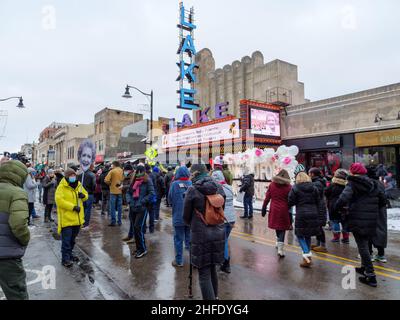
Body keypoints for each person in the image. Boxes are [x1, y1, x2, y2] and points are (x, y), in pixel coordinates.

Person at [334, 163, 386, 287]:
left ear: (353, 172)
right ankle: (364, 267)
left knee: (362, 247)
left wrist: (337, 208)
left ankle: (371, 275)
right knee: (364, 245)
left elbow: (342, 199)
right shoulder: (374, 184)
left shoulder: (352, 184)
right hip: (371, 219)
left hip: (357, 219)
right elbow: (383, 201)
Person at [183, 164, 225, 300]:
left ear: (195, 174)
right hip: (218, 233)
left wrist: (193, 223)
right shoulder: (218, 187)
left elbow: (186, 216)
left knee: (204, 274)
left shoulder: (193, 190)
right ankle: (215, 297)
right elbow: (220, 207)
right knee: (212, 268)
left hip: (201, 235)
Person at [0, 160, 30, 300]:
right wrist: (25, 240)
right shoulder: (17, 193)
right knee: (17, 294)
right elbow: (18, 224)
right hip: (7, 257)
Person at [55, 168, 88, 267]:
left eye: (74, 175)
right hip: (67, 219)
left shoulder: (79, 185)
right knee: (66, 241)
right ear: (66, 176)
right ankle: (65, 259)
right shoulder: (61, 187)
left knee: (72, 240)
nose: (73, 177)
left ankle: (69, 254)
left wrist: (83, 196)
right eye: (71, 175)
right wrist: (72, 207)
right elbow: (59, 201)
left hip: (77, 219)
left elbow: (86, 195)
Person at [288, 172, 321, 268]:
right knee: (307, 235)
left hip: (302, 214)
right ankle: (306, 259)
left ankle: (307, 255)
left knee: (299, 235)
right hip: (313, 213)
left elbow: (291, 201)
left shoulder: (295, 188)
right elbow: (318, 201)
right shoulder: (314, 188)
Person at [261, 169, 292, 258]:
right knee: (282, 228)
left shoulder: (272, 185)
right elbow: (291, 199)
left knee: (277, 226)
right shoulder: (289, 187)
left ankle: (278, 243)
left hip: (274, 208)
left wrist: (263, 208)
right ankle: (280, 249)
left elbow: (267, 198)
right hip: (284, 209)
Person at [126, 165, 155, 258]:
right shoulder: (133, 180)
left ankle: (142, 249)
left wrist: (142, 201)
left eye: (140, 171)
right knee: (135, 229)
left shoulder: (147, 181)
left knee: (138, 228)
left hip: (141, 208)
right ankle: (139, 248)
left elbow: (151, 193)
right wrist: (129, 201)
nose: (138, 173)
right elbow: (128, 192)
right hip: (133, 207)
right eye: (137, 171)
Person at [211, 170, 236, 273]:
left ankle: (225, 263)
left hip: (223, 218)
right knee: (224, 240)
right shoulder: (229, 187)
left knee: (223, 240)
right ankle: (222, 259)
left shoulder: (216, 189)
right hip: (232, 219)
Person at [169, 166, 192, 267]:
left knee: (178, 239)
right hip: (190, 217)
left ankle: (179, 261)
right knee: (190, 239)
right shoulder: (191, 184)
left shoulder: (174, 185)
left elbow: (169, 200)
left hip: (178, 216)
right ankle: (193, 260)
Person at [366, 166, 388, 263]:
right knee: (380, 231)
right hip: (381, 209)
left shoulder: (368, 183)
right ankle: (381, 254)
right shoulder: (380, 183)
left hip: (371, 209)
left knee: (369, 231)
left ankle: (369, 253)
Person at [325, 169, 350, 244]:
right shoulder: (347, 185)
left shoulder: (332, 185)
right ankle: (346, 238)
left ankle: (336, 238)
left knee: (335, 221)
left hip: (334, 206)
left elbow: (326, 192)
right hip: (345, 205)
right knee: (345, 222)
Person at [308, 168, 328, 253]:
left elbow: (315, 196)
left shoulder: (317, 183)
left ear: (312, 174)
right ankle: (318, 243)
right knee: (317, 226)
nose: (308, 175)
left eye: (309, 173)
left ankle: (323, 246)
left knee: (319, 227)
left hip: (319, 207)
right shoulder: (317, 182)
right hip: (318, 206)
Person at [105, 161, 124, 226]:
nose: (111, 166)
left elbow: (106, 180)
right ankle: (119, 221)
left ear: (114, 165)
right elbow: (123, 179)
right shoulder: (122, 170)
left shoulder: (112, 171)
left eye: (112, 165)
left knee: (112, 207)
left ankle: (113, 221)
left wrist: (110, 184)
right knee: (119, 207)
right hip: (120, 190)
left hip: (113, 191)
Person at [78, 164, 96, 229]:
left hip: (81, 194)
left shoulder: (80, 175)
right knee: (88, 210)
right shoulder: (92, 175)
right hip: (89, 194)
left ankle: (81, 222)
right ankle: (86, 224)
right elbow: (94, 185)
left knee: (82, 209)